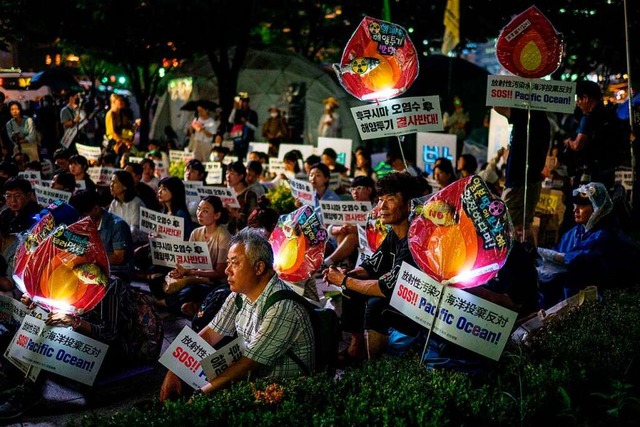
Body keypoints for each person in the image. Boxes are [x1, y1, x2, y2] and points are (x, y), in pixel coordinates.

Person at [159, 228, 314, 402]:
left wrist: (199, 397)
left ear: (259, 268)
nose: (227, 270)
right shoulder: (239, 295)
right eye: (228, 263)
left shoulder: (283, 308)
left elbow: (247, 364)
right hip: (253, 382)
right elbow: (210, 334)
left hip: (283, 394)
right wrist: (174, 370)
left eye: (235, 263)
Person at [323, 172, 424, 363]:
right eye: (380, 200)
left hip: (419, 307)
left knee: (376, 306)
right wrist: (348, 274)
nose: (382, 207)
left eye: (391, 200)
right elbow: (372, 264)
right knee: (353, 284)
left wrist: (344, 280)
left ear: (409, 204)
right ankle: (357, 346)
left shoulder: (415, 239)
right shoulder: (395, 233)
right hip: (397, 294)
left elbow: (386, 288)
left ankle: (374, 366)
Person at [0, 276, 134, 419]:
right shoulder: (65, 277)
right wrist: (36, 304)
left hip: (115, 349)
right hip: (82, 340)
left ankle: (29, 392)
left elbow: (110, 334)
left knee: (49, 341)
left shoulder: (109, 286)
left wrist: (74, 321)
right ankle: (17, 379)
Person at [537, 182, 640, 308]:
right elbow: (555, 256)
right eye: (575, 205)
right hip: (566, 300)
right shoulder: (573, 233)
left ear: (597, 209)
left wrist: (541, 254)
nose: (575, 209)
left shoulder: (606, 236)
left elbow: (576, 260)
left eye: (582, 206)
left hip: (591, 305)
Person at [160, 196, 231, 317]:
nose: (200, 214)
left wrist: (191, 273)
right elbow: (189, 261)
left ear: (217, 215)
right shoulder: (196, 232)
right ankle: (188, 306)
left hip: (214, 283)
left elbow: (220, 273)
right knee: (160, 281)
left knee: (189, 291)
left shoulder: (223, 236)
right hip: (195, 277)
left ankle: (190, 306)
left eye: (205, 211)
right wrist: (181, 271)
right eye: (199, 209)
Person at [494, 106, 551, 241]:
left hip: (518, 182)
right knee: (524, 226)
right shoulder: (543, 119)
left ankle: (513, 258)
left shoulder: (526, 115)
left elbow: (496, 104)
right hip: (530, 180)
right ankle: (528, 257)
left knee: (507, 226)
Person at [69, 190, 135, 282]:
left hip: (116, 272)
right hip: (92, 268)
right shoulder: (83, 223)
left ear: (96, 209)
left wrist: (89, 256)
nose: (80, 220)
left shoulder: (118, 225)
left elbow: (118, 258)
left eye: (83, 216)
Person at [563, 81, 617, 190]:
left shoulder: (587, 118)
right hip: (608, 170)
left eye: (578, 99)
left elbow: (577, 145)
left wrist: (568, 142)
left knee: (582, 205)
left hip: (589, 173)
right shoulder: (608, 114)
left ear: (585, 98)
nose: (577, 103)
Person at [323, 175, 377, 269]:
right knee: (343, 231)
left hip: (370, 245)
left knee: (352, 236)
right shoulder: (349, 209)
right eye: (352, 189)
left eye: (359, 188)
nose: (355, 192)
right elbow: (330, 231)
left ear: (369, 190)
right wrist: (340, 228)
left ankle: (327, 263)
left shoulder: (376, 209)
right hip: (348, 245)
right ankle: (345, 262)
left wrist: (357, 230)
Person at [108, 170, 147, 246]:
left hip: (136, 244)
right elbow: (109, 224)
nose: (111, 185)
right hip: (118, 242)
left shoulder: (136, 203)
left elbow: (134, 231)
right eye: (111, 182)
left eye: (114, 182)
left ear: (125, 186)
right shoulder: (114, 203)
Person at [225, 161, 258, 235]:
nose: (228, 176)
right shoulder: (226, 193)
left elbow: (254, 219)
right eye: (227, 173)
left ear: (241, 176)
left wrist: (237, 215)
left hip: (243, 236)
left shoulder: (250, 195)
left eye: (232, 173)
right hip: (226, 234)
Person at [104, 93, 138, 162]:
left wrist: (136, 124)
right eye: (120, 100)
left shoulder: (121, 115)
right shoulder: (110, 114)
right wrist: (125, 142)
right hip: (113, 145)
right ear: (114, 101)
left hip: (122, 144)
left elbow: (130, 128)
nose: (122, 102)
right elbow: (112, 133)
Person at [228, 94, 258, 161]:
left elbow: (255, 128)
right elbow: (230, 120)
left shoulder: (252, 113)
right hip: (237, 140)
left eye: (243, 102)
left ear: (247, 103)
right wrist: (234, 109)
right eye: (240, 102)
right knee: (236, 158)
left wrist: (246, 123)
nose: (241, 104)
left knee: (247, 158)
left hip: (248, 141)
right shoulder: (237, 112)